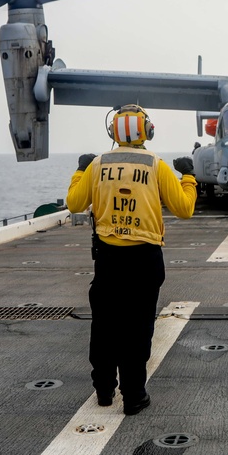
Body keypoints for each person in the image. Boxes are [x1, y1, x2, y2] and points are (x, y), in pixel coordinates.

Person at [66, 104, 197, 415]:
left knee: (104, 325)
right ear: (146, 131)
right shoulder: (156, 165)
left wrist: (80, 170)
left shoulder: (98, 165)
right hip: (144, 259)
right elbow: (184, 209)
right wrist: (189, 176)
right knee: (137, 328)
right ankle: (135, 396)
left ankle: (103, 391)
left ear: (114, 132)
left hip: (108, 260)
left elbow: (74, 203)